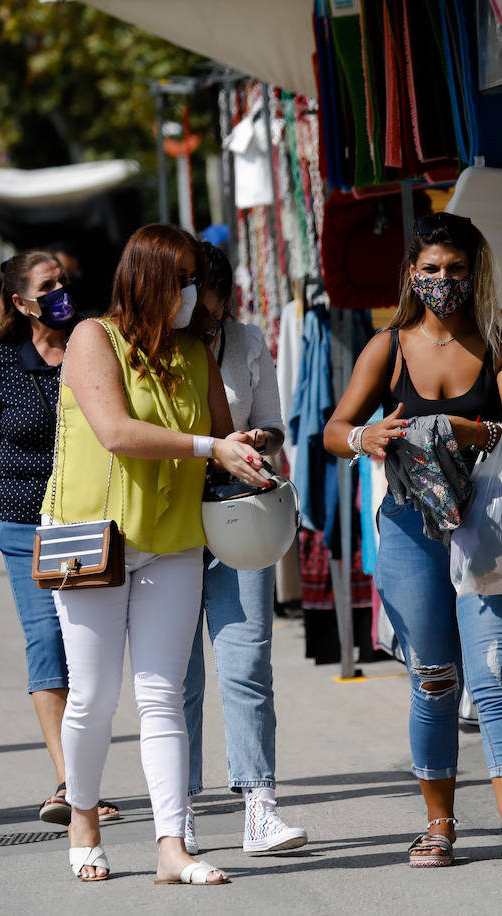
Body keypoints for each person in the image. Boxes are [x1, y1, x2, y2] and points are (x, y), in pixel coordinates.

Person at [322, 211, 502, 874]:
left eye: (454, 269)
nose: (442, 281)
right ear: (411, 277)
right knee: (435, 678)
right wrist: (368, 438)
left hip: (488, 525)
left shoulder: (500, 341)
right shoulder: (386, 349)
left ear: (474, 273)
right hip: (410, 528)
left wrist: (473, 432)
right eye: (430, 270)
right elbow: (335, 429)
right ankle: (438, 827)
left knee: (498, 676)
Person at [48, 224, 268, 884]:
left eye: (198, 281)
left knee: (162, 696)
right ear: (150, 281)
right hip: (92, 537)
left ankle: (172, 846)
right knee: (91, 694)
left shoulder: (196, 347)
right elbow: (115, 431)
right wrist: (209, 448)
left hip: (172, 539)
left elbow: (223, 432)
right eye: (185, 281)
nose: (194, 293)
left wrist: (246, 447)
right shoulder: (94, 338)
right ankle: (83, 818)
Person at [0, 251, 122, 828]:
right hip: (27, 524)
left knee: (89, 654)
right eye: (47, 285)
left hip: (94, 519)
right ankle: (70, 782)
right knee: (47, 644)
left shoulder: (98, 342)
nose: (61, 290)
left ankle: (83, 777)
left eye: (64, 281)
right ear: (21, 304)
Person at [180, 242, 307, 854]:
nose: (192, 305)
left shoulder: (249, 341)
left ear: (223, 294)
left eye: (200, 291)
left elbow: (278, 425)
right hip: (170, 520)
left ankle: (259, 804)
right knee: (177, 677)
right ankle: (177, 813)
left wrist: (259, 437)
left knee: (246, 661)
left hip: (242, 514)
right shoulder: (152, 346)